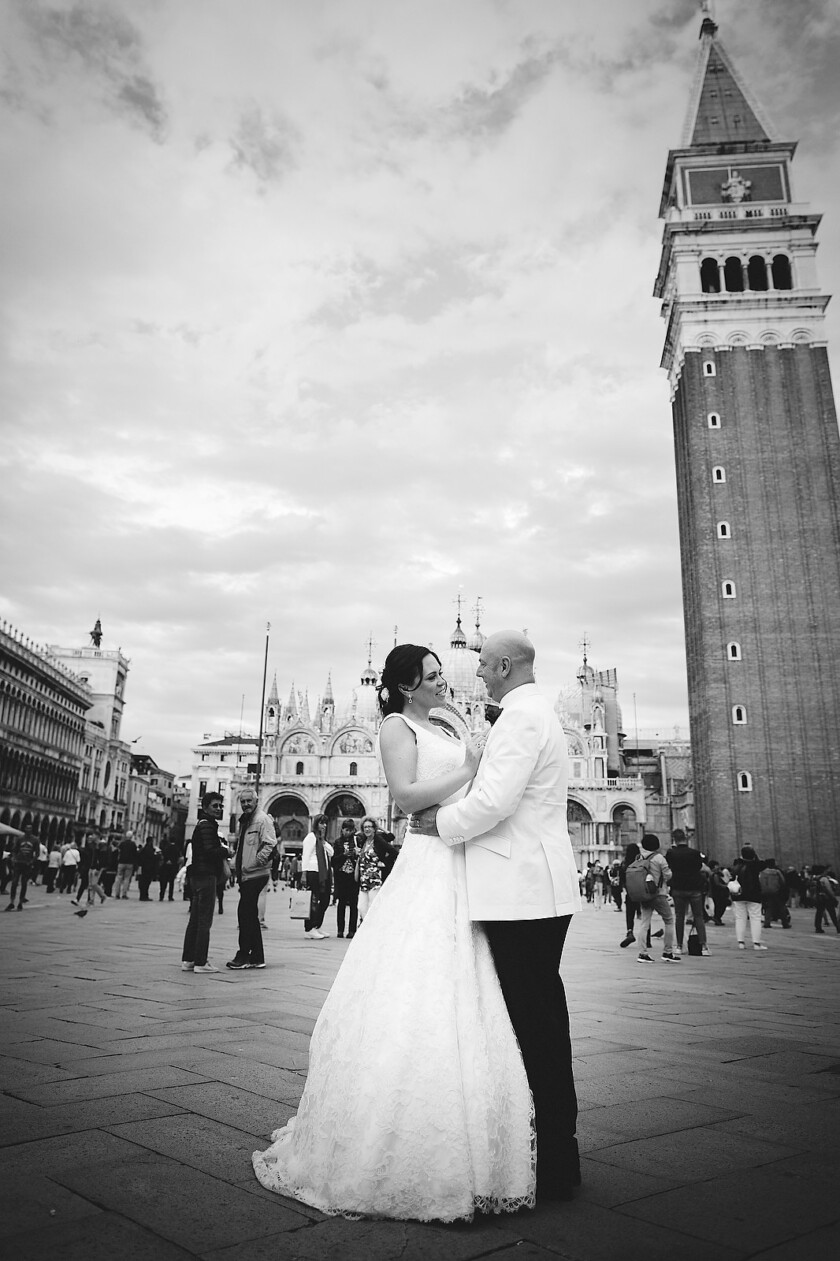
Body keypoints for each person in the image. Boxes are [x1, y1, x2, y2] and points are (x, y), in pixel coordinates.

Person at [253, 640, 535, 1221]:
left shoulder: (443, 723)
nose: (444, 683)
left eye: (443, 674)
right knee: (419, 980)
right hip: (429, 863)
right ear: (408, 684)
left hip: (460, 857)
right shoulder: (393, 728)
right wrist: (467, 768)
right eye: (433, 676)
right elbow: (406, 798)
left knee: (465, 985)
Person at [412, 630, 583, 1201]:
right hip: (531, 889)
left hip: (521, 894)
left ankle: (553, 1164)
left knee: (535, 1027)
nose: (477, 673)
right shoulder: (534, 713)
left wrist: (442, 825)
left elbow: (497, 801)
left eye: (483, 665)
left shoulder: (520, 718)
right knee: (540, 1021)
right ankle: (551, 1154)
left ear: (505, 665)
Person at [227, 788, 275, 970]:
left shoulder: (262, 819)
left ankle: (243, 955)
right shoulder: (246, 821)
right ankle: (257, 957)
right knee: (250, 916)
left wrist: (254, 863)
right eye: (243, 801)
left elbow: (270, 843)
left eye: (249, 801)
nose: (246, 804)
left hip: (256, 874)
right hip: (247, 874)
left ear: (256, 801)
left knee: (245, 915)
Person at [181, 792, 226, 973]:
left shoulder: (202, 824)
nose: (218, 809)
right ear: (205, 807)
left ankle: (188, 960)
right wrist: (225, 852)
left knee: (195, 920)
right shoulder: (208, 825)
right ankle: (201, 962)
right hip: (206, 875)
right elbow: (209, 851)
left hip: (197, 876)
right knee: (204, 921)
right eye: (215, 805)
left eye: (220, 806)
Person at [633, 835, 681, 964]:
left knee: (644, 923)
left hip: (644, 894)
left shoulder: (639, 857)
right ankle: (668, 952)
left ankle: (642, 953)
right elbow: (668, 875)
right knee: (669, 921)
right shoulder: (659, 858)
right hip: (658, 893)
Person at [665, 830, 709, 956]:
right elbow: (699, 868)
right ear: (685, 838)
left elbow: (668, 868)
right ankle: (704, 946)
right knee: (698, 916)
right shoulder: (695, 853)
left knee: (679, 917)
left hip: (678, 888)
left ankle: (679, 946)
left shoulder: (671, 853)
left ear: (674, 839)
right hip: (695, 888)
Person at [730, 845, 769, 950]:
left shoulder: (737, 863)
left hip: (738, 894)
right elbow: (764, 863)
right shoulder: (756, 865)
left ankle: (741, 943)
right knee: (755, 918)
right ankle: (756, 943)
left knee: (740, 918)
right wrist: (754, 856)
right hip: (754, 894)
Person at [301, 815, 333, 941]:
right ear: (316, 824)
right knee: (313, 901)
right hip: (313, 872)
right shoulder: (311, 837)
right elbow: (306, 856)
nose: (324, 826)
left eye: (325, 823)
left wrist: (324, 841)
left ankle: (317, 925)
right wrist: (303, 874)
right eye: (321, 823)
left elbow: (331, 852)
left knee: (324, 900)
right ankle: (309, 929)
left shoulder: (321, 839)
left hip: (323, 873)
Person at [331, 820, 360, 938]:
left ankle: (352, 930)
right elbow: (334, 860)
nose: (348, 832)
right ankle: (340, 930)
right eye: (346, 830)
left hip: (353, 877)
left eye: (350, 830)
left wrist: (353, 855)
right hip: (341, 876)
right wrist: (344, 855)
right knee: (341, 903)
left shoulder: (357, 841)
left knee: (354, 904)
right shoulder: (338, 842)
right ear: (342, 830)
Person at [5, 826, 36, 911]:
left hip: (27, 864)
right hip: (18, 863)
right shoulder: (20, 839)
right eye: (27, 829)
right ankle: (12, 902)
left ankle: (20, 902)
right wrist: (14, 858)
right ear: (25, 830)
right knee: (14, 882)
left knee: (24, 883)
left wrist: (32, 861)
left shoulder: (35, 840)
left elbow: (37, 853)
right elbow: (15, 849)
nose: (28, 830)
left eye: (30, 829)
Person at [760, 857, 791, 930]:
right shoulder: (777, 872)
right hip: (777, 892)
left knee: (768, 907)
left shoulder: (763, 872)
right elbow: (783, 881)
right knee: (781, 907)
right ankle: (785, 923)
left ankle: (767, 923)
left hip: (766, 892)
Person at [113, 834, 138, 899]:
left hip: (121, 862)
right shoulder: (133, 844)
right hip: (129, 863)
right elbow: (135, 854)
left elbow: (118, 851)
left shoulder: (122, 844)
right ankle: (124, 894)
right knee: (126, 879)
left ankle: (117, 894)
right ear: (131, 837)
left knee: (119, 878)